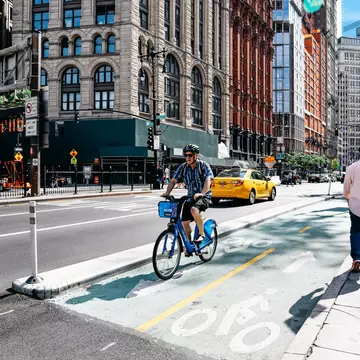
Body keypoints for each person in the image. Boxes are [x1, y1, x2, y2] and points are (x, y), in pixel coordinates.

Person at [162, 144, 214, 251]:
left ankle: (201, 233)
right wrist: (167, 192)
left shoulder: (203, 166)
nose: (188, 157)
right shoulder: (183, 167)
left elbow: (208, 180)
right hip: (190, 197)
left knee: (194, 210)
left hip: (204, 197)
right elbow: (173, 180)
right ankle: (189, 245)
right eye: (185, 155)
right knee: (184, 222)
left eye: (190, 155)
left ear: (196, 155)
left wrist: (202, 193)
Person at [343, 162, 360, 272]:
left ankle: (357, 259)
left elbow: (346, 190)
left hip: (356, 206)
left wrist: (349, 200)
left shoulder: (352, 168)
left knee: (356, 230)